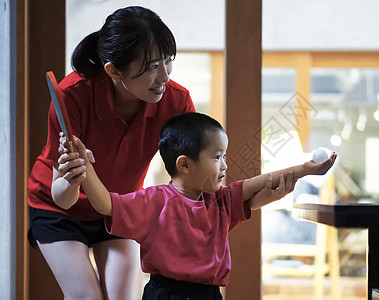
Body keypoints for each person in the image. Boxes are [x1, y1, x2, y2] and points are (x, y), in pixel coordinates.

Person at [57, 112, 337, 300]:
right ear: (185, 164)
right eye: (217, 157)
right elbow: (106, 203)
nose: (225, 165)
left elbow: (262, 181)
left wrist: (305, 169)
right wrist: (85, 169)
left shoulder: (222, 201)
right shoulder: (155, 200)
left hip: (209, 294)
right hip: (165, 294)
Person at [26, 6, 196, 299]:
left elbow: (191, 176)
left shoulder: (177, 101)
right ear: (114, 70)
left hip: (117, 206)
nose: (164, 76)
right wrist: (73, 175)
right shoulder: (73, 95)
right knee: (87, 297)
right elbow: (63, 197)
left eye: (168, 61)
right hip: (57, 210)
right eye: (152, 66)